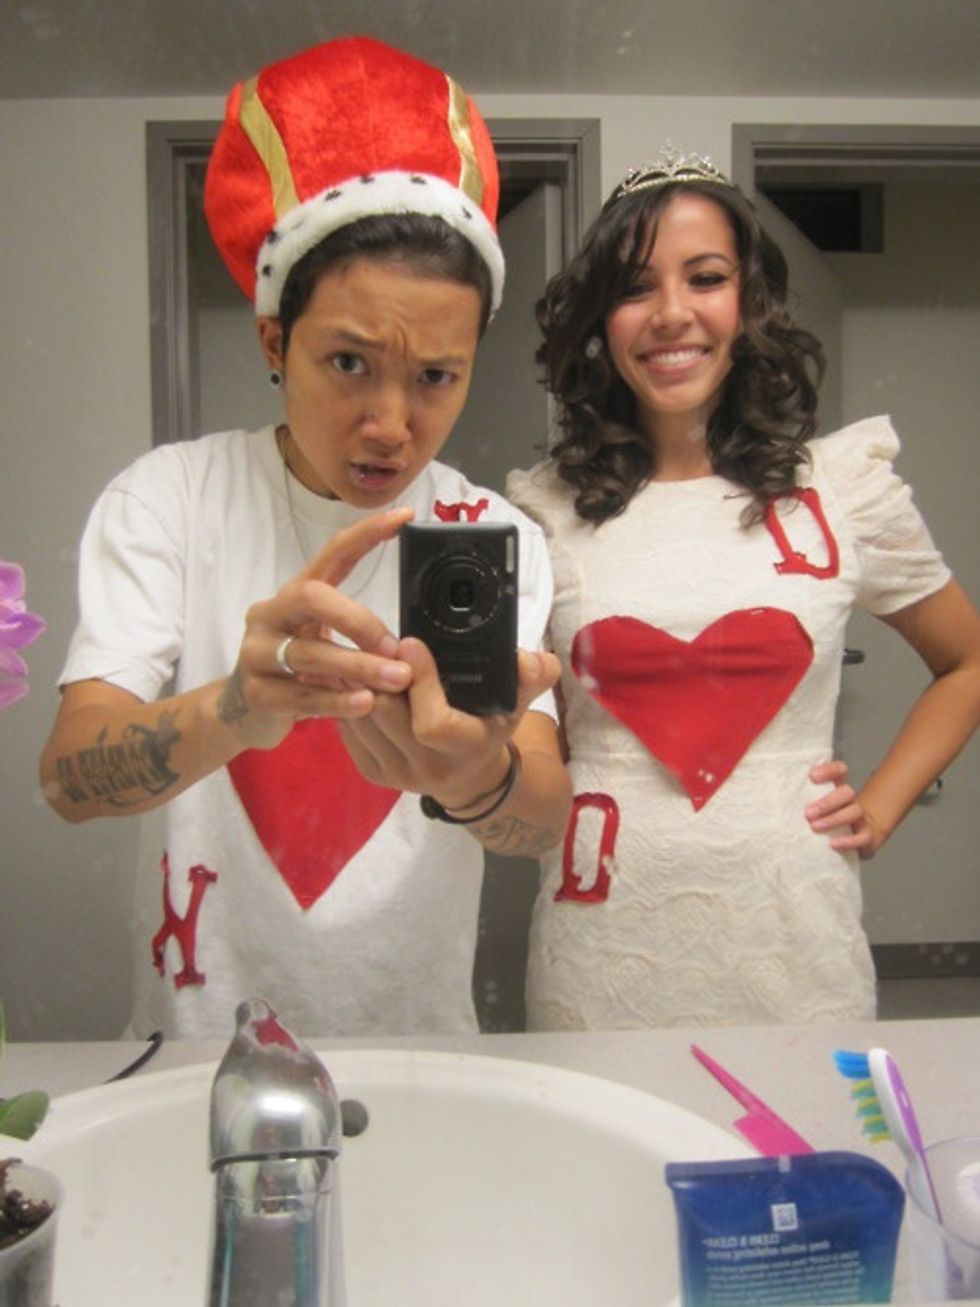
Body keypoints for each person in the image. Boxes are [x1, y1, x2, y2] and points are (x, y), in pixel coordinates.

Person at [39, 36, 569, 1040]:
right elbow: (68, 779)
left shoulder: (489, 534)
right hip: (198, 1054)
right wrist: (237, 707)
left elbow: (541, 820)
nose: (390, 424)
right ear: (275, 340)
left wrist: (475, 778)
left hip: (422, 1051)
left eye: (435, 376)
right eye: (349, 362)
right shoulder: (173, 499)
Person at [507, 146, 980, 1029]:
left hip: (793, 936)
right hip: (600, 943)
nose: (671, 313)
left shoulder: (838, 492)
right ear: (602, 317)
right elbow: (533, 732)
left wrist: (882, 806)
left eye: (706, 278)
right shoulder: (544, 512)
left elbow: (968, 663)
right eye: (635, 286)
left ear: (749, 300)